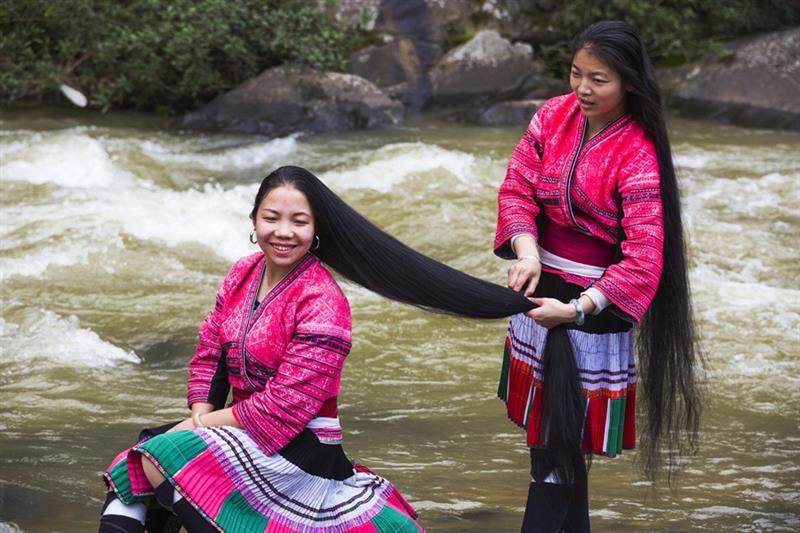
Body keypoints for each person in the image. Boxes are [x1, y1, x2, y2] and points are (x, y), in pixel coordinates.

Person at [99, 165, 536, 533]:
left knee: (161, 458)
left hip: (300, 444)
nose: (283, 232)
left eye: (299, 222)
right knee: (130, 468)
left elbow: (286, 408)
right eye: (271, 218)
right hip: (234, 427)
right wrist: (198, 412)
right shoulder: (241, 273)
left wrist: (198, 427)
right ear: (254, 221)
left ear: (316, 229)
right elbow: (210, 352)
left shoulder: (324, 300)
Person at [493, 20, 701, 532]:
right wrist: (526, 250)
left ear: (629, 81)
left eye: (599, 79)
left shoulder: (638, 153)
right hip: (539, 292)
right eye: (575, 73)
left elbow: (644, 260)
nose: (582, 88)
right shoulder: (552, 115)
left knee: (560, 449)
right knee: (549, 449)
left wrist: (579, 309)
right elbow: (516, 189)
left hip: (593, 308)